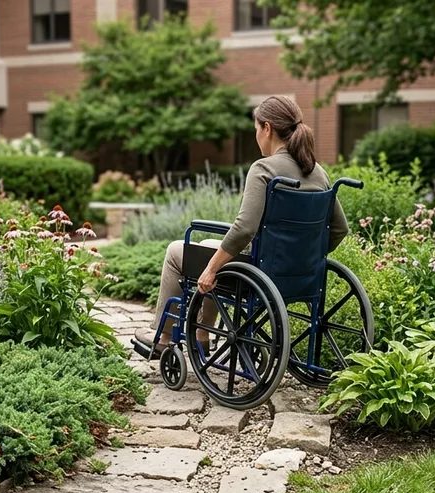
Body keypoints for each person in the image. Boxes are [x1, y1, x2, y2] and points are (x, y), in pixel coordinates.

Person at [134, 94, 349, 354]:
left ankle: (164, 338)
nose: (256, 135)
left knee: (175, 251)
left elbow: (245, 229)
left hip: (258, 274)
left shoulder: (264, 169)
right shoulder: (318, 173)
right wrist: (304, 256)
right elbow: (339, 229)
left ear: (267, 128)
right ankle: (202, 333)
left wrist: (211, 270)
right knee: (210, 245)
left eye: (256, 129)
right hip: (299, 274)